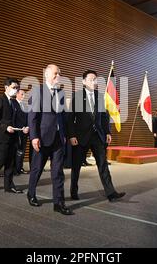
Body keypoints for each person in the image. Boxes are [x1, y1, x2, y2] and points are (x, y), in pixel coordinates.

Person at [67, 70, 125, 202]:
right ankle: (73, 192)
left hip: (97, 136)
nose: (94, 82)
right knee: (76, 166)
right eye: (91, 79)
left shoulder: (100, 96)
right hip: (81, 137)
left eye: (96, 79)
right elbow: (70, 118)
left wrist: (108, 132)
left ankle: (111, 193)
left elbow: (104, 117)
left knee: (103, 165)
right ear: (84, 81)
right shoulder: (77, 96)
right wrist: (72, 135)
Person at [27, 64, 73, 215]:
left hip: (58, 139)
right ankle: (31, 193)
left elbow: (63, 116)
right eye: (55, 73)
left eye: (59, 73)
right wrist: (34, 137)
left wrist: (66, 134)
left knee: (58, 172)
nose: (58, 76)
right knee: (37, 169)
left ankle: (58, 203)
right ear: (46, 74)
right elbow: (32, 117)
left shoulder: (60, 92)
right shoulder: (37, 91)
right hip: (42, 138)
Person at [14, 89, 30, 175]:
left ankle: (20, 168)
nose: (23, 96)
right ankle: (15, 169)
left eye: (24, 94)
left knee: (22, 151)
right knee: (16, 151)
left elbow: (28, 118)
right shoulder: (13, 103)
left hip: (25, 131)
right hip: (16, 131)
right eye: (21, 94)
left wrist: (27, 127)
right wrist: (21, 128)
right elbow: (13, 118)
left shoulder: (25, 105)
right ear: (16, 94)